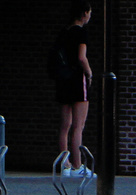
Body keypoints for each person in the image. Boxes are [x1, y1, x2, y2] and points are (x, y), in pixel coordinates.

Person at [54, 0, 95, 177]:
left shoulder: (64, 32)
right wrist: (89, 73)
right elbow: (81, 57)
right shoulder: (81, 32)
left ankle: (65, 164)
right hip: (78, 80)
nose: (90, 16)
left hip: (63, 80)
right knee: (78, 126)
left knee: (65, 125)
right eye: (90, 13)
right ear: (84, 13)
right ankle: (78, 166)